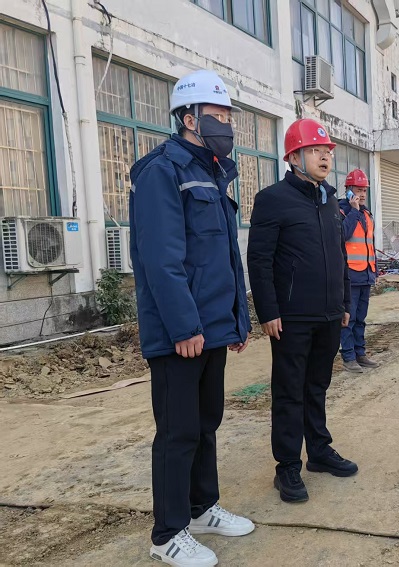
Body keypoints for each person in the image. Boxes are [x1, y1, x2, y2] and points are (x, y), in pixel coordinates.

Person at [130, 69, 254, 567]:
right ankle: (167, 534)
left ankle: (202, 509)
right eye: (217, 115)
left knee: (206, 424)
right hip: (180, 334)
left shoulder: (216, 172)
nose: (226, 124)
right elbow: (162, 259)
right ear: (188, 118)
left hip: (212, 329)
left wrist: (236, 321)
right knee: (178, 432)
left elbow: (225, 258)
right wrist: (184, 327)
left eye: (228, 116)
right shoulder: (162, 171)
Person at [247, 118, 358, 505]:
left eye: (327, 151)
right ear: (294, 157)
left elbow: (340, 255)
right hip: (291, 317)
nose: (325, 157)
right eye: (315, 150)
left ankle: (320, 452)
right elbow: (259, 260)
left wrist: (344, 302)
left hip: (329, 314)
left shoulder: (329, 201)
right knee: (289, 392)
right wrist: (268, 311)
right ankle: (288, 466)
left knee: (317, 387)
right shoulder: (272, 199)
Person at [338, 169, 380, 373]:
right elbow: (342, 235)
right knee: (349, 318)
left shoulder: (367, 214)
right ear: (348, 190)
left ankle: (360, 353)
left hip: (366, 274)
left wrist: (375, 270)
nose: (362, 194)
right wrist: (353, 210)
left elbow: (369, 244)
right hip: (349, 276)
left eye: (364, 190)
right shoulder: (341, 211)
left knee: (361, 318)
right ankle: (348, 357)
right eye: (358, 190)